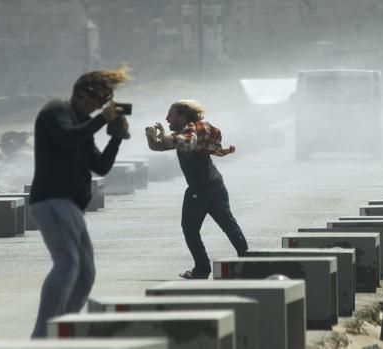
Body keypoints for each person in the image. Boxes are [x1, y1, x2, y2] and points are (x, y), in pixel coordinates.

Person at [28, 67, 130, 337]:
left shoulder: (82, 124)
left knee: (85, 271)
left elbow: (101, 166)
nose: (96, 108)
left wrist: (116, 137)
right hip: (50, 200)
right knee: (67, 263)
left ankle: (65, 326)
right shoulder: (55, 111)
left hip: (71, 206)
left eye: (100, 104)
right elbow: (65, 138)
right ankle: (42, 335)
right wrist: (99, 121)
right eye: (94, 101)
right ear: (79, 94)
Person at [145, 100, 249, 279]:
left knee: (191, 228)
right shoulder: (189, 131)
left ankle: (202, 269)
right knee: (228, 223)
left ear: (182, 117)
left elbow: (188, 144)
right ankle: (248, 262)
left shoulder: (192, 130)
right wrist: (151, 136)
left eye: (171, 114)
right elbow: (159, 146)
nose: (166, 118)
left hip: (200, 190)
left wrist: (163, 134)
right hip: (215, 185)